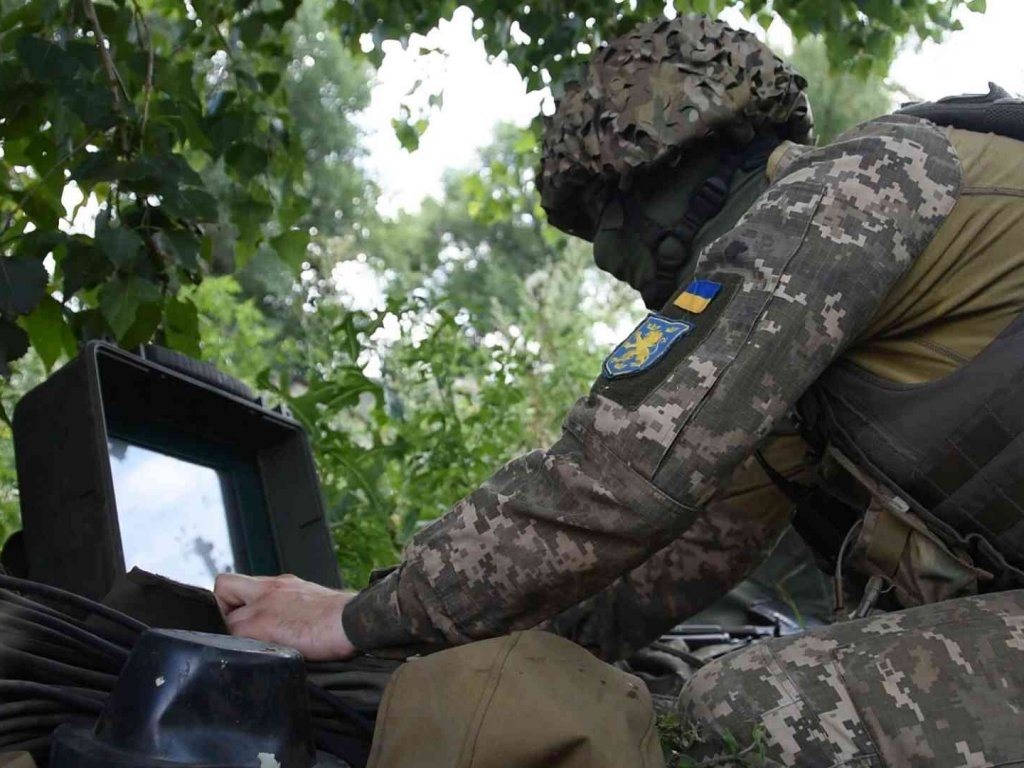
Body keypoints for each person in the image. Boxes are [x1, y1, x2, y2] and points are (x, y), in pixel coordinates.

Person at [215, 14, 1024, 765]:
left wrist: (353, 618)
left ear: (686, 149)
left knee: (751, 707)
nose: (606, 251)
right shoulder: (819, 315)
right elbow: (674, 556)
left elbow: (621, 474)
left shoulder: (856, 187)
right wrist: (424, 641)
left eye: (611, 206)